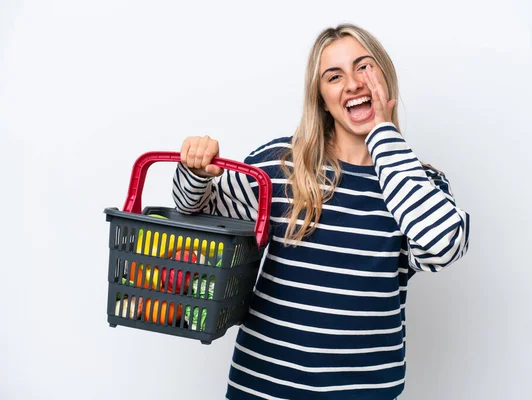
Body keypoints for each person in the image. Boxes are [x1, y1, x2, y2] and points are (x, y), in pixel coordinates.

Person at [172, 23, 470, 400]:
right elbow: (195, 211)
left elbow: (443, 245)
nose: (353, 83)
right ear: (322, 98)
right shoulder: (279, 165)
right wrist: (195, 172)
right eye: (334, 76)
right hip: (262, 389)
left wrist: (381, 134)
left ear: (385, 76)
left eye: (364, 67)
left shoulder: (417, 182)